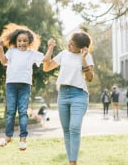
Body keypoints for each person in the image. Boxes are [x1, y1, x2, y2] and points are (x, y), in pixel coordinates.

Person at [0, 23, 55, 151]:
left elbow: (45, 59)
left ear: (29, 42)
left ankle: (23, 140)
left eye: (24, 41)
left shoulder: (32, 53)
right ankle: (8, 137)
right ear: (15, 41)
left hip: (25, 85)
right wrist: (0, 48)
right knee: (11, 112)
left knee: (23, 112)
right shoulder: (11, 51)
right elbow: (3, 61)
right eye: (19, 41)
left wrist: (51, 47)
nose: (22, 43)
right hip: (11, 84)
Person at [43, 31, 94, 165]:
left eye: (72, 45)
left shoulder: (87, 57)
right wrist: (50, 48)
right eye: (69, 42)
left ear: (81, 48)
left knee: (74, 128)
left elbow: (90, 78)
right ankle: (72, 161)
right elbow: (46, 67)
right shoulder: (64, 54)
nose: (69, 45)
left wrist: (83, 59)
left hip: (79, 95)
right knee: (66, 130)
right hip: (63, 94)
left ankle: (73, 163)